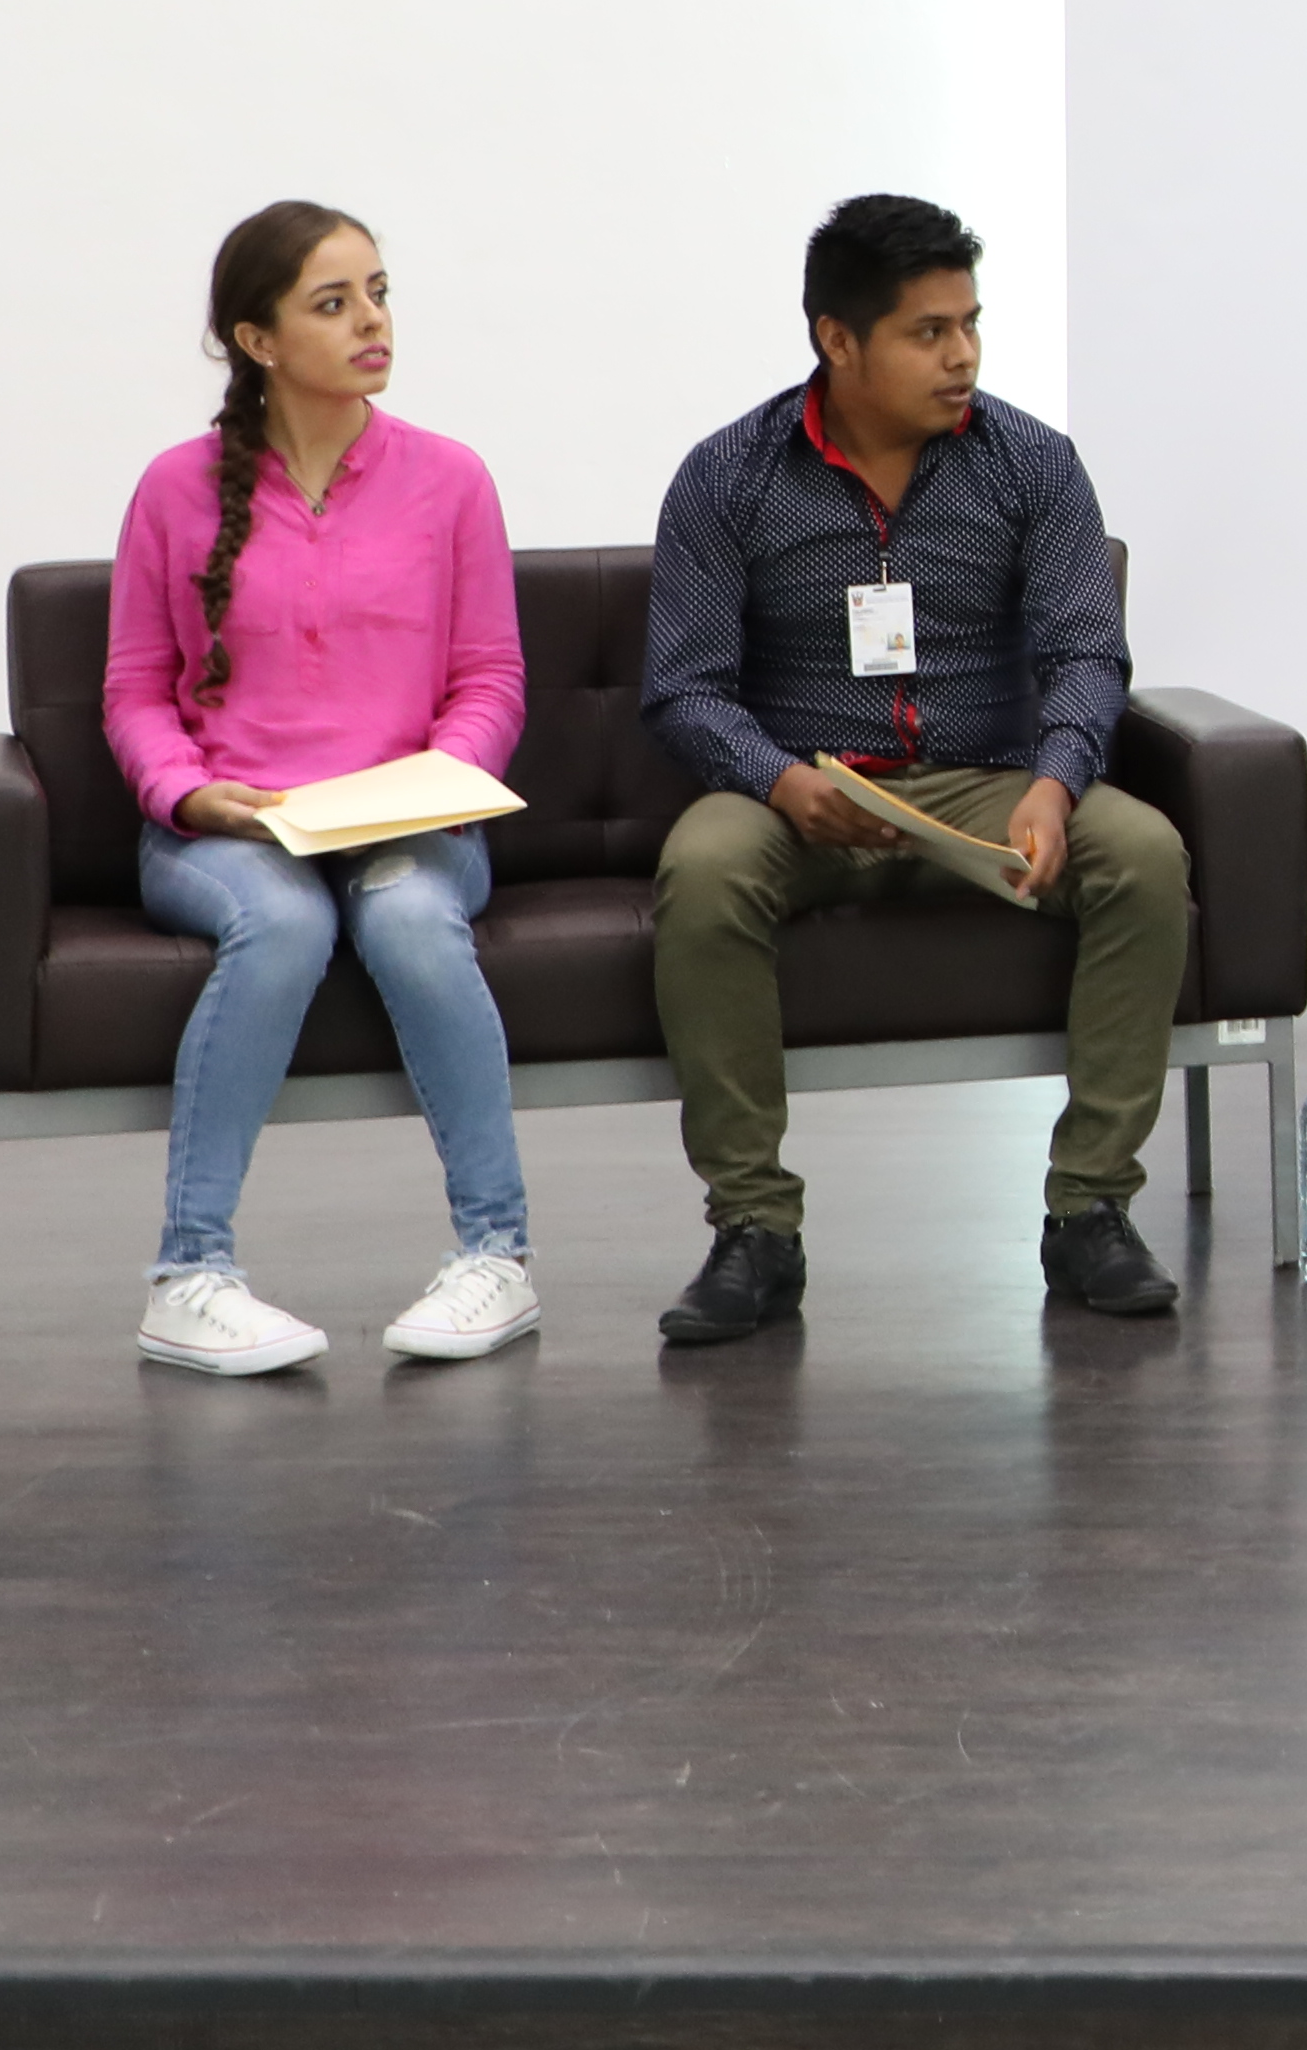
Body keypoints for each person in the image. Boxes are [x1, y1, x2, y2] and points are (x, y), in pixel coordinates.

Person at [638, 192, 1192, 1344]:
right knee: (704, 869)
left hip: (984, 777)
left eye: (970, 324)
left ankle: (1089, 1206)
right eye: (928, 331)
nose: (962, 356)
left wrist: (1055, 783)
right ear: (838, 340)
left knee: (1141, 853)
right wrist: (781, 781)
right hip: (802, 790)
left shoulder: (1031, 463)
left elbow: (1086, 652)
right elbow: (686, 687)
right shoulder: (730, 476)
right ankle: (755, 1228)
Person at [94, 200, 541, 1374]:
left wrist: (445, 777)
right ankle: (189, 1273)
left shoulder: (451, 479)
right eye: (333, 304)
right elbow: (135, 689)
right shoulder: (174, 489)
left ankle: (495, 1254)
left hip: (408, 819)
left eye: (378, 293)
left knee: (412, 917)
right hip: (232, 827)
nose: (370, 322)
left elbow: (490, 676)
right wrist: (187, 794)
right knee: (284, 923)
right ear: (258, 339)